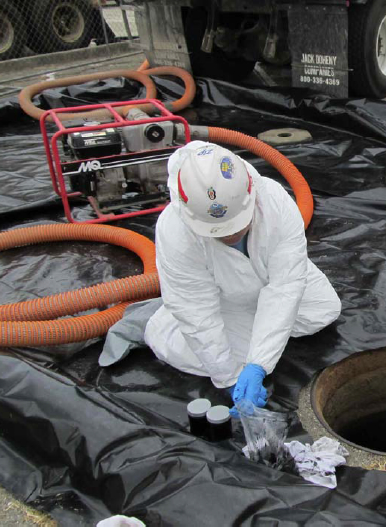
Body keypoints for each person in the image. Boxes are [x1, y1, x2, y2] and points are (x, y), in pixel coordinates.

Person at [143, 141, 341, 410]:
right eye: (218, 231)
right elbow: (196, 311)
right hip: (222, 297)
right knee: (199, 347)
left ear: (251, 194)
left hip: (270, 279)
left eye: (236, 225)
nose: (231, 235)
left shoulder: (275, 201)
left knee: (323, 309)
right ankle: (166, 322)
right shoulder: (175, 231)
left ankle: (250, 332)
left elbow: (285, 286)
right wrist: (229, 378)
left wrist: (258, 364)